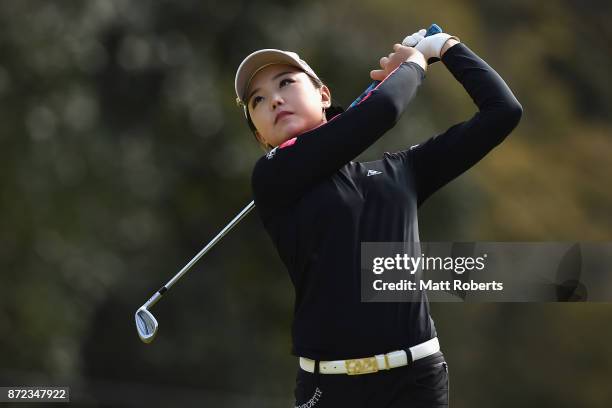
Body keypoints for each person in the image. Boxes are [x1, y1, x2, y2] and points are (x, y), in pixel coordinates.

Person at [234, 28, 522, 407]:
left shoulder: (401, 171)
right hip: (330, 389)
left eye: (286, 83)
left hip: (417, 381)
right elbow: (384, 110)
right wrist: (416, 63)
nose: (273, 100)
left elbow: (503, 112)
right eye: (257, 100)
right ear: (260, 136)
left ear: (324, 96)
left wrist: (447, 48)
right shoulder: (272, 177)